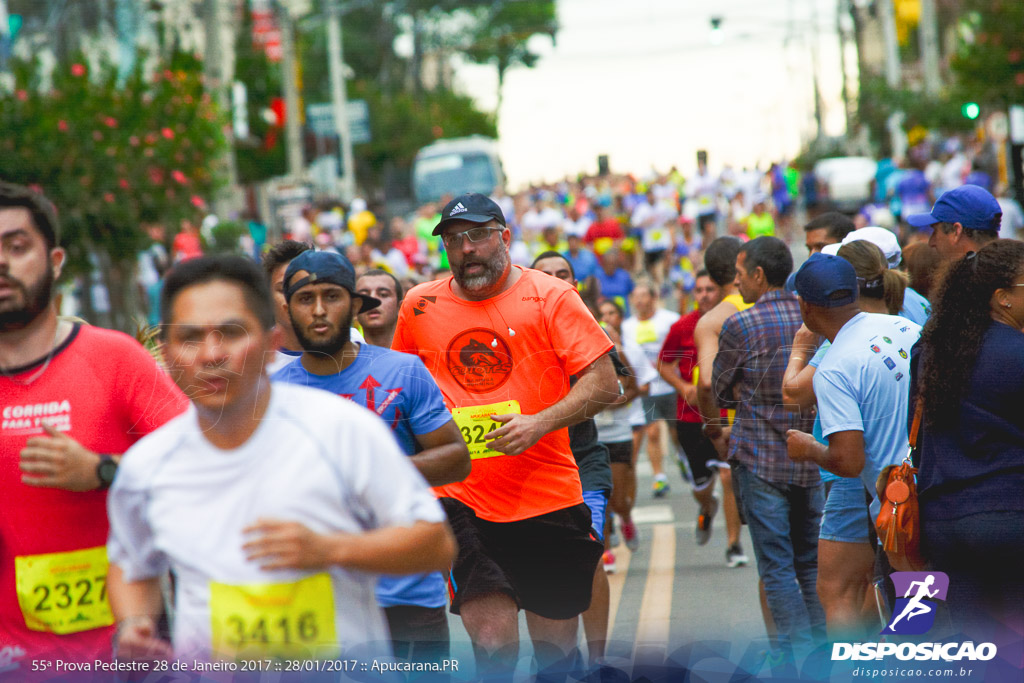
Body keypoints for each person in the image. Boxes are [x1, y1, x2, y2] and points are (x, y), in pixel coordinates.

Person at [107, 255, 456, 663]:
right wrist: (133, 624)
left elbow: (436, 546)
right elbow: (131, 566)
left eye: (231, 333)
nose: (211, 354)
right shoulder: (148, 466)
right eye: (190, 338)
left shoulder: (342, 430)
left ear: (271, 345)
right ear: (166, 353)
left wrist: (329, 550)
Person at [392, 193, 618, 678]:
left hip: (547, 498)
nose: (465, 249)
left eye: (476, 236)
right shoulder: (418, 305)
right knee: (494, 644)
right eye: (454, 240)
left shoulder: (553, 297)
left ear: (505, 237)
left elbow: (605, 384)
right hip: (462, 500)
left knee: (554, 655)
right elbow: (403, 391)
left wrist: (539, 423)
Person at [0, 182, 187, 671]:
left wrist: (103, 471)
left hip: (125, 646)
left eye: (16, 247)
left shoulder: (114, 359)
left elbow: (201, 469)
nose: (1, 263)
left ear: (56, 260)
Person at [271, 250, 469, 662]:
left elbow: (455, 458)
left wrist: (372, 473)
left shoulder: (404, 371)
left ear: (356, 306)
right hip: (319, 595)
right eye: (306, 299)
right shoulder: (273, 396)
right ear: (286, 309)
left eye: (332, 296)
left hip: (408, 590)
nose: (320, 310)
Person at [785, 250, 920, 639]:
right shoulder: (902, 328)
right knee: (929, 612)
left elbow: (847, 460)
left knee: (917, 624)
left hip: (901, 510)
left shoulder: (834, 367)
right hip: (939, 488)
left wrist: (809, 447)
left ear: (807, 307)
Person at [710, 236, 824, 655]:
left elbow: (720, 390)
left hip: (760, 460)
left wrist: (742, 390)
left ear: (759, 276)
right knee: (810, 562)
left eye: (740, 276)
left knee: (776, 567)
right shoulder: (811, 316)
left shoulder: (741, 324)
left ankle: (798, 656)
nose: (736, 284)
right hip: (811, 457)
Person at [912, 239, 1024, 638]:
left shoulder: (930, 350)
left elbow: (918, 432)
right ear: (1002, 298)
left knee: (973, 641)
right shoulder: (1017, 353)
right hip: (1010, 514)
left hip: (944, 520)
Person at [531, 251, 621, 665]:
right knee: (541, 569)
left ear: (575, 284)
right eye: (544, 274)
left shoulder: (587, 328)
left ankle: (599, 660)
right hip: (528, 470)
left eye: (561, 274)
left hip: (583, 463)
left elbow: (612, 387)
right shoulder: (514, 329)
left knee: (587, 557)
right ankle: (557, 658)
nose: (553, 279)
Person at [658, 269, 748, 566]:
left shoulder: (733, 321)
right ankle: (707, 508)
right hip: (690, 418)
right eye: (699, 290)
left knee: (727, 476)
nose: (704, 295)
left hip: (727, 415)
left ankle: (734, 545)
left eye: (710, 289)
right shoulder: (682, 326)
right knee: (702, 486)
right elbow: (663, 363)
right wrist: (684, 387)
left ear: (720, 291)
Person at [621, 280, 680, 497]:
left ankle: (682, 459)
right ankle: (659, 477)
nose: (639, 300)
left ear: (653, 297)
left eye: (643, 295)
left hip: (672, 386)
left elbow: (682, 347)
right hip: (647, 389)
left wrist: (671, 366)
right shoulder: (627, 327)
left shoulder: (669, 320)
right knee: (652, 433)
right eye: (635, 296)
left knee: (676, 434)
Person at [906, 184, 1001, 264]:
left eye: (935, 231)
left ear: (956, 231)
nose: (931, 242)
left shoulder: (968, 283)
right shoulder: (1011, 273)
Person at [355, 268, 404, 348]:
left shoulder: (417, 356)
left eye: (383, 294)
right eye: (364, 295)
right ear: (354, 310)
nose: (373, 300)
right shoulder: (342, 358)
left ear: (400, 307)